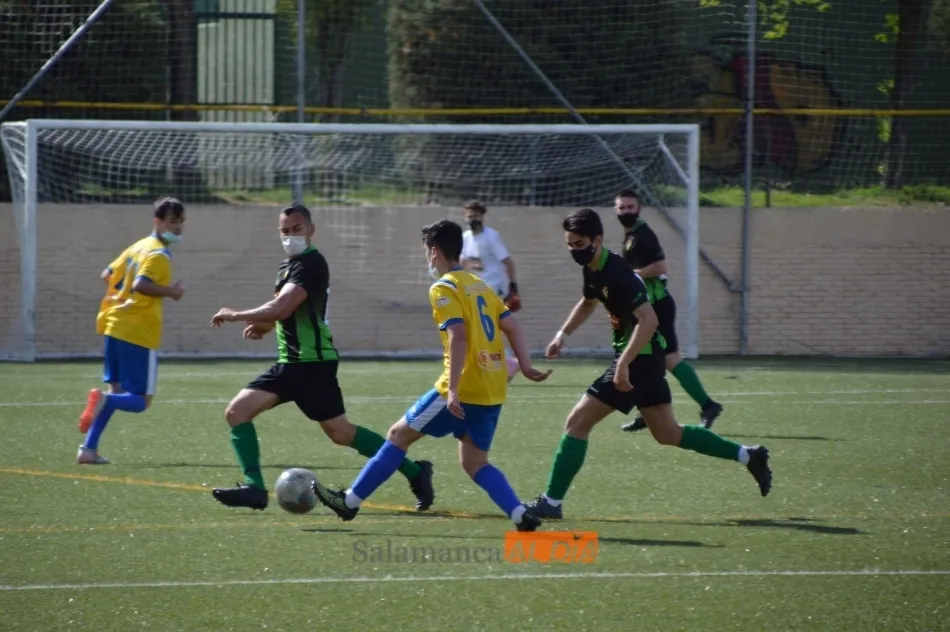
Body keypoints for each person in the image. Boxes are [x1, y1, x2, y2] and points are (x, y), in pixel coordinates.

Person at [527, 209, 772, 520]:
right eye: (569, 244)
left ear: (597, 240)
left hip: (640, 359)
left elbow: (649, 320)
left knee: (577, 423)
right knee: (668, 433)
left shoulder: (618, 273)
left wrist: (623, 363)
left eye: (579, 244)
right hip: (647, 359)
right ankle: (749, 455)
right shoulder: (593, 267)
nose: (574, 250)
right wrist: (563, 334)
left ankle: (551, 502)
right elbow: (588, 301)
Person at [311, 219, 552, 532]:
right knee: (474, 463)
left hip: (461, 388)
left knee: (398, 436)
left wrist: (452, 391)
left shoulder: (444, 288)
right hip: (491, 388)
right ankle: (520, 514)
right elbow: (512, 326)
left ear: (435, 252)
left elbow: (458, 335)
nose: (427, 258)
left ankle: (350, 502)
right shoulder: (480, 285)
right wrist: (527, 365)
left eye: (427, 251)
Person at [208, 203, 434, 512]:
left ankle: (415, 471)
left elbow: (282, 307)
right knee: (236, 412)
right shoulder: (287, 265)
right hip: (289, 364)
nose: (290, 236)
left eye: (296, 229)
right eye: (284, 231)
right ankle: (255, 489)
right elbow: (280, 311)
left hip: (314, 364)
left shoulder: (311, 264)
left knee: (341, 434)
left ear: (311, 230)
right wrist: (261, 326)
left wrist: (234, 315)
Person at [77, 197, 186, 464]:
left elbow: (107, 274)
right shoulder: (158, 253)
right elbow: (140, 284)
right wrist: (171, 292)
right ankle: (102, 401)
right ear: (157, 222)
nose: (179, 227)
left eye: (181, 221)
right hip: (137, 330)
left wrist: (119, 296)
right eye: (173, 221)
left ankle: (88, 449)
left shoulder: (138, 246)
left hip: (114, 325)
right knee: (141, 400)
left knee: (117, 392)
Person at [612, 189, 724, 433]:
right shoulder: (631, 235)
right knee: (645, 361)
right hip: (646, 306)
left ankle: (708, 404)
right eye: (621, 208)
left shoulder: (643, 235)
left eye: (630, 207)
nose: (625, 212)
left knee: (670, 359)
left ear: (639, 208)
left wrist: (631, 276)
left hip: (658, 306)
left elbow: (662, 267)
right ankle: (649, 411)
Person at [460, 200, 521, 381]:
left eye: (476, 216)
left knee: (484, 327)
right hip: (476, 289)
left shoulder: (491, 236)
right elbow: (464, 262)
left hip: (493, 288)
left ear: (482, 216)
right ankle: (506, 363)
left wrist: (513, 286)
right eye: (470, 216)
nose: (473, 219)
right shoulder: (465, 238)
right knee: (485, 328)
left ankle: (506, 363)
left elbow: (507, 261)